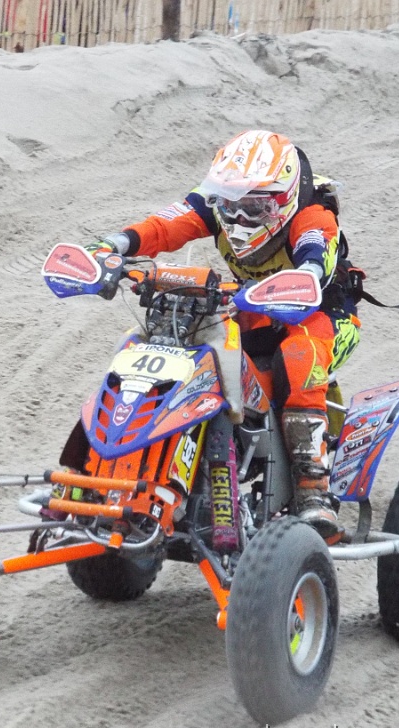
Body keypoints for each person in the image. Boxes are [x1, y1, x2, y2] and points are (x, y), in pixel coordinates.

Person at [84, 129, 361, 538]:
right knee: (178, 339)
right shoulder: (216, 204)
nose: (237, 218)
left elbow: (315, 258)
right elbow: (164, 225)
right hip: (251, 306)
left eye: (254, 207)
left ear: (283, 200)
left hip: (321, 312)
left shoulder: (313, 216)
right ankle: (135, 470)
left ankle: (311, 488)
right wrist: (114, 245)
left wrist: (306, 275)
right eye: (229, 205)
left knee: (297, 357)